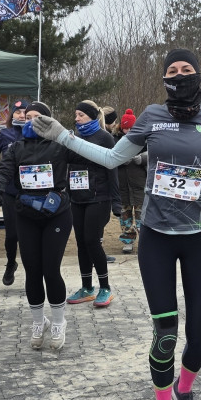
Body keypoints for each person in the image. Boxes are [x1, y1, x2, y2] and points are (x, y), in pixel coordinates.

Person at [30, 49, 201, 400]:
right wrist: (63, 135)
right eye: (172, 70)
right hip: (156, 238)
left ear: (198, 75)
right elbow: (112, 158)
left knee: (200, 336)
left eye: (186, 69)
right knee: (165, 334)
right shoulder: (153, 116)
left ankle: (185, 390)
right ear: (164, 79)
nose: (179, 74)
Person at [0, 101, 73, 350]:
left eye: (38, 117)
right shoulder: (16, 148)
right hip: (26, 213)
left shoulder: (60, 145)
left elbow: (88, 155)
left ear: (49, 121)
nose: (31, 121)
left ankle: (58, 322)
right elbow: (4, 170)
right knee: (32, 270)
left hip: (56, 212)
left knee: (50, 268)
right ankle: (39, 321)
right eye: (28, 117)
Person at [65, 100, 121, 308]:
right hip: (77, 198)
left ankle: (104, 287)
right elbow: (68, 166)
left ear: (91, 116)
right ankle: (86, 287)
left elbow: (112, 169)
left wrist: (116, 202)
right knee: (81, 242)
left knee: (92, 241)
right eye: (76, 115)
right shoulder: (74, 137)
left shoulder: (104, 137)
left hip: (99, 197)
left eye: (80, 115)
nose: (76, 118)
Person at [0, 98, 30, 285]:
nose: (21, 115)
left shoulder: (35, 134)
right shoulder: (5, 134)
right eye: (17, 113)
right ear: (12, 115)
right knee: (12, 234)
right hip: (10, 192)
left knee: (28, 234)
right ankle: (11, 263)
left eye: (25, 113)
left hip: (31, 192)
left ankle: (31, 270)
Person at [112, 108, 147, 254]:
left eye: (130, 128)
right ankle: (127, 241)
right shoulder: (115, 140)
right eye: (125, 128)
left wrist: (144, 158)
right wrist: (120, 161)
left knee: (142, 216)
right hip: (122, 186)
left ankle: (145, 242)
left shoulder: (144, 139)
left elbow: (155, 153)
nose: (127, 131)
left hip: (140, 185)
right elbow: (109, 156)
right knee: (125, 216)